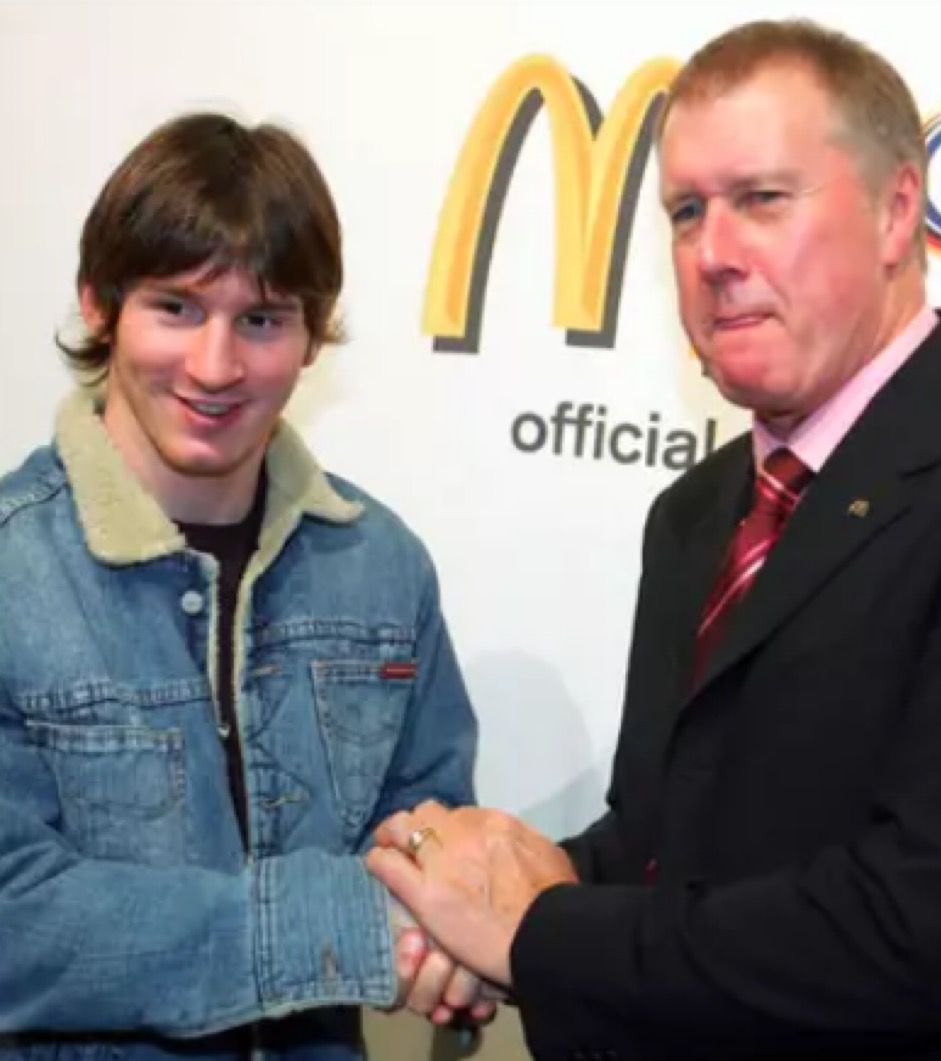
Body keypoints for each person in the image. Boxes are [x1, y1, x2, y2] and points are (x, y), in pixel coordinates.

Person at [368, 18, 941, 1059]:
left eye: (761, 199)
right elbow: (666, 853)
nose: (713, 253)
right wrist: (515, 878)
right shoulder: (691, 512)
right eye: (684, 211)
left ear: (897, 207)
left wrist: (537, 929)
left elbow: (910, 920)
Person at [0, 112, 485, 1061]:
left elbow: (435, 850)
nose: (215, 367)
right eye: (176, 307)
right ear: (100, 306)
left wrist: (454, 939)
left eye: (261, 320)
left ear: (310, 339)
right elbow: (17, 922)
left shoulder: (385, 565)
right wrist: (332, 929)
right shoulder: (14, 569)